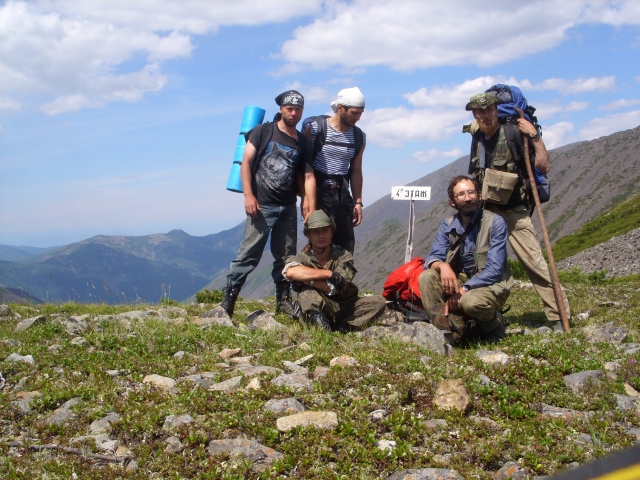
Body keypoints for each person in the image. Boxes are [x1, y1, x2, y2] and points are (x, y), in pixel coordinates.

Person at [465, 92, 571, 331]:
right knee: (486, 264)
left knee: (534, 262)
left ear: (496, 109)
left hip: (515, 211)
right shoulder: (478, 136)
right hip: (488, 212)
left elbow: (544, 165)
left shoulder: (514, 132)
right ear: (474, 114)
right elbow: (475, 172)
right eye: (479, 112)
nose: (484, 115)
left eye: (488, 109)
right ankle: (488, 313)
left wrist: (534, 136)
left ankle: (558, 315)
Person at [220, 90, 315, 317]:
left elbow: (306, 175)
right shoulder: (262, 131)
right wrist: (249, 195)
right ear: (281, 109)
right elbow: (246, 163)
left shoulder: (302, 141)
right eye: (289, 108)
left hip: (288, 207)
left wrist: (308, 202)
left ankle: (283, 301)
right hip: (261, 206)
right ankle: (229, 299)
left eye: (298, 109)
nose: (294, 113)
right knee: (248, 255)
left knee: (286, 256)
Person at [419, 175, 513, 343]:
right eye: (461, 194)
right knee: (427, 277)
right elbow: (433, 257)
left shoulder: (495, 223)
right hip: (461, 280)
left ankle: (493, 325)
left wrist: (464, 290)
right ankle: (445, 329)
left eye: (471, 192)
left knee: (470, 301)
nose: (468, 198)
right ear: (453, 202)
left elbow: (495, 269)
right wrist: (442, 266)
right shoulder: (447, 225)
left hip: (490, 285)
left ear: (479, 196)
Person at [283, 210, 386, 332]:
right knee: (307, 293)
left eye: (325, 231)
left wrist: (306, 280)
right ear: (308, 235)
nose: (321, 236)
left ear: (331, 233)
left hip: (343, 303)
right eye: (316, 232)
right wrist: (328, 274)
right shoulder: (302, 257)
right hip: (318, 303)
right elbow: (290, 272)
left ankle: (344, 327)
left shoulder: (344, 256)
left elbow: (334, 287)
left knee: (378, 302)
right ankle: (318, 322)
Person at [303, 87, 366, 254]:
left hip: (343, 196)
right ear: (341, 108)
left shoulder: (359, 136)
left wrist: (358, 202)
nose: (358, 117)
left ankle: (342, 280)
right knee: (319, 246)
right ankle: (318, 279)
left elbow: (356, 171)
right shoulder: (316, 129)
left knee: (346, 247)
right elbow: (306, 170)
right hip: (319, 194)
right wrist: (308, 201)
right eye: (354, 113)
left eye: (360, 113)